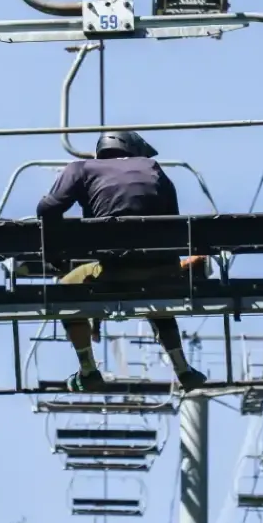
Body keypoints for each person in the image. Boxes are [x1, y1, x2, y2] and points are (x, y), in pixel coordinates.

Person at [36, 131, 209, 394]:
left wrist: (55, 256)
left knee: (66, 288)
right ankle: (182, 367)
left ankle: (88, 370)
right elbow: (173, 220)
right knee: (156, 291)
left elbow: (48, 209)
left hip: (114, 268)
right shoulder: (153, 168)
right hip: (161, 269)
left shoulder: (82, 169)